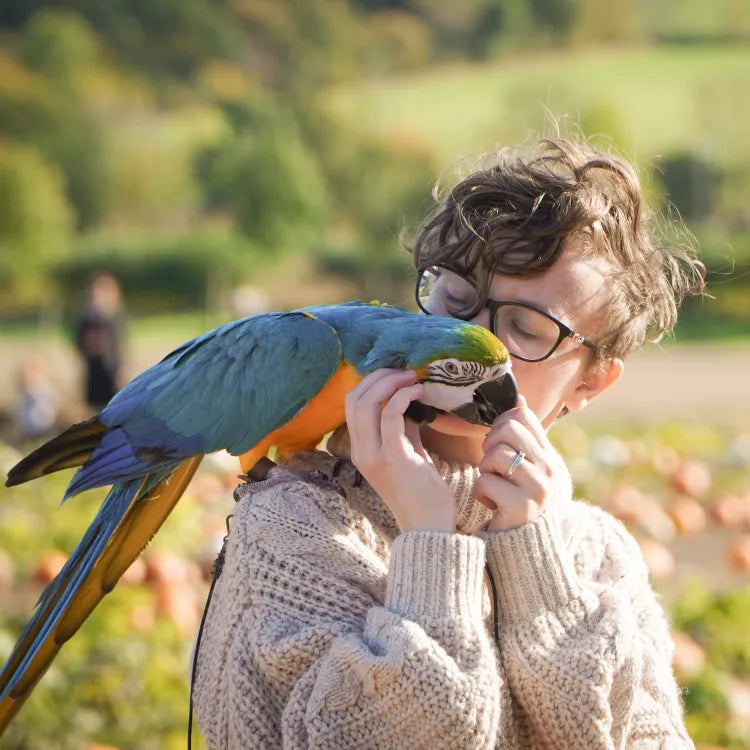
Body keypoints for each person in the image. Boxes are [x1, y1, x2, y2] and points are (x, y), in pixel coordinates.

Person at [192, 138, 705, 748]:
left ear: (590, 382)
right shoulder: (293, 526)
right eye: (455, 299)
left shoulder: (600, 556)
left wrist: (540, 573)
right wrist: (429, 546)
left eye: (524, 328)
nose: (461, 338)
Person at [74, 272, 127, 412]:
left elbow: (119, 345)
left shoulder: (115, 317)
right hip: (94, 370)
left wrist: (120, 368)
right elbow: (79, 342)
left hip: (111, 370)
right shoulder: (87, 318)